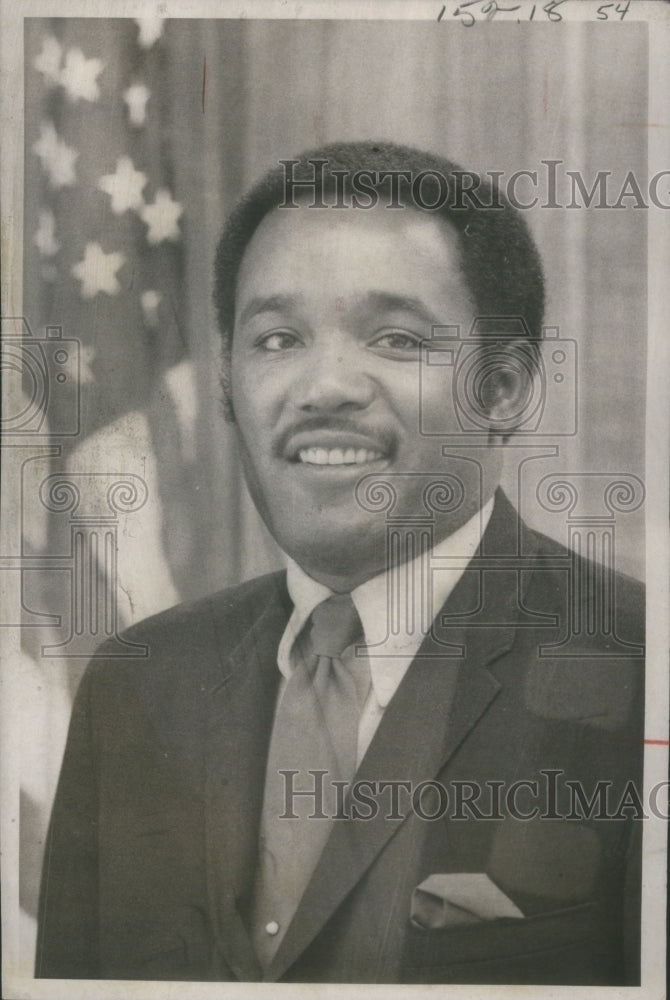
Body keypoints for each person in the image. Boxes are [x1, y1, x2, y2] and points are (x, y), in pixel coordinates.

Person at [36, 141, 644, 985]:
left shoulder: (642, 670)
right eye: (277, 338)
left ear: (504, 388)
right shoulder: (136, 687)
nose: (323, 386)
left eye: (395, 338)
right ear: (226, 389)